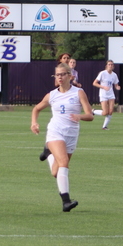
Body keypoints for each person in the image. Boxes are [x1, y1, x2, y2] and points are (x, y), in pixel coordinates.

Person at [31, 63, 94, 212]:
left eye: (63, 74)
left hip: (71, 134)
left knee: (56, 171)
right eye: (57, 75)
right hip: (55, 132)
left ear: (70, 76)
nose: (59, 77)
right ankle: (66, 201)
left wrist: (80, 116)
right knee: (64, 162)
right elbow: (36, 108)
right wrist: (34, 123)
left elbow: (90, 115)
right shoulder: (52, 95)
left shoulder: (79, 93)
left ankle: (48, 152)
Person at [93, 60, 120, 129]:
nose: (110, 66)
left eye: (111, 65)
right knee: (105, 112)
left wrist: (117, 87)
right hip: (103, 94)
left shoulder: (114, 75)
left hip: (111, 94)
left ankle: (104, 126)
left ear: (113, 66)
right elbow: (94, 83)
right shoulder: (102, 73)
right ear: (106, 66)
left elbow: (116, 84)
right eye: (109, 64)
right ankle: (93, 111)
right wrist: (103, 87)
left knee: (110, 111)